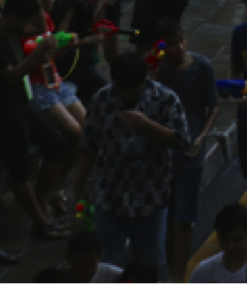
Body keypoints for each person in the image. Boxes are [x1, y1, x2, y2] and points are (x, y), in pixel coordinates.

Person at [74, 48, 191, 267]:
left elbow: (181, 139)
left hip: (150, 195)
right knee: (108, 261)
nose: (127, 94)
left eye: (132, 89)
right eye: (122, 89)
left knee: (149, 261)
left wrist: (147, 124)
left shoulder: (165, 99)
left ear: (144, 80)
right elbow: (89, 144)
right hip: (109, 195)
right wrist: (80, 183)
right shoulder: (102, 100)